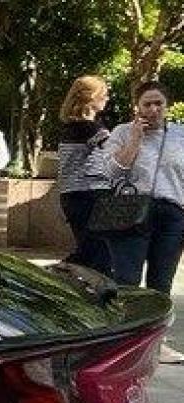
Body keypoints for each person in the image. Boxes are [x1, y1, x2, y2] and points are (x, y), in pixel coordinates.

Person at [107, 81, 184, 293]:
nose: (153, 110)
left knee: (161, 282)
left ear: (167, 105)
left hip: (172, 214)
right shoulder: (122, 132)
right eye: (147, 104)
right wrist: (134, 140)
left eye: (158, 103)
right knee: (126, 280)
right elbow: (113, 171)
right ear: (137, 107)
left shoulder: (180, 135)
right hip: (131, 210)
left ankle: (154, 327)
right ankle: (126, 325)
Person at [56, 75, 114, 273]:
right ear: (91, 98)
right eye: (104, 95)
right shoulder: (91, 129)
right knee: (101, 257)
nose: (107, 99)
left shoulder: (69, 127)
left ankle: (64, 274)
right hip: (89, 196)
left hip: (71, 196)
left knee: (88, 251)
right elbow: (116, 154)